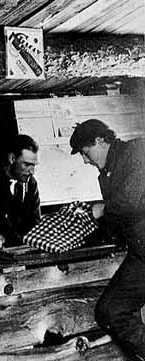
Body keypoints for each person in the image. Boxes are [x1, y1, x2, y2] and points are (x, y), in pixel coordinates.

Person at [70, 118, 145, 360]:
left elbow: (131, 201)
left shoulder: (137, 151)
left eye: (86, 152)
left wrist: (102, 209)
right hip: (140, 253)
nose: (85, 160)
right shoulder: (105, 174)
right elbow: (118, 217)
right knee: (111, 312)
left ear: (101, 140)